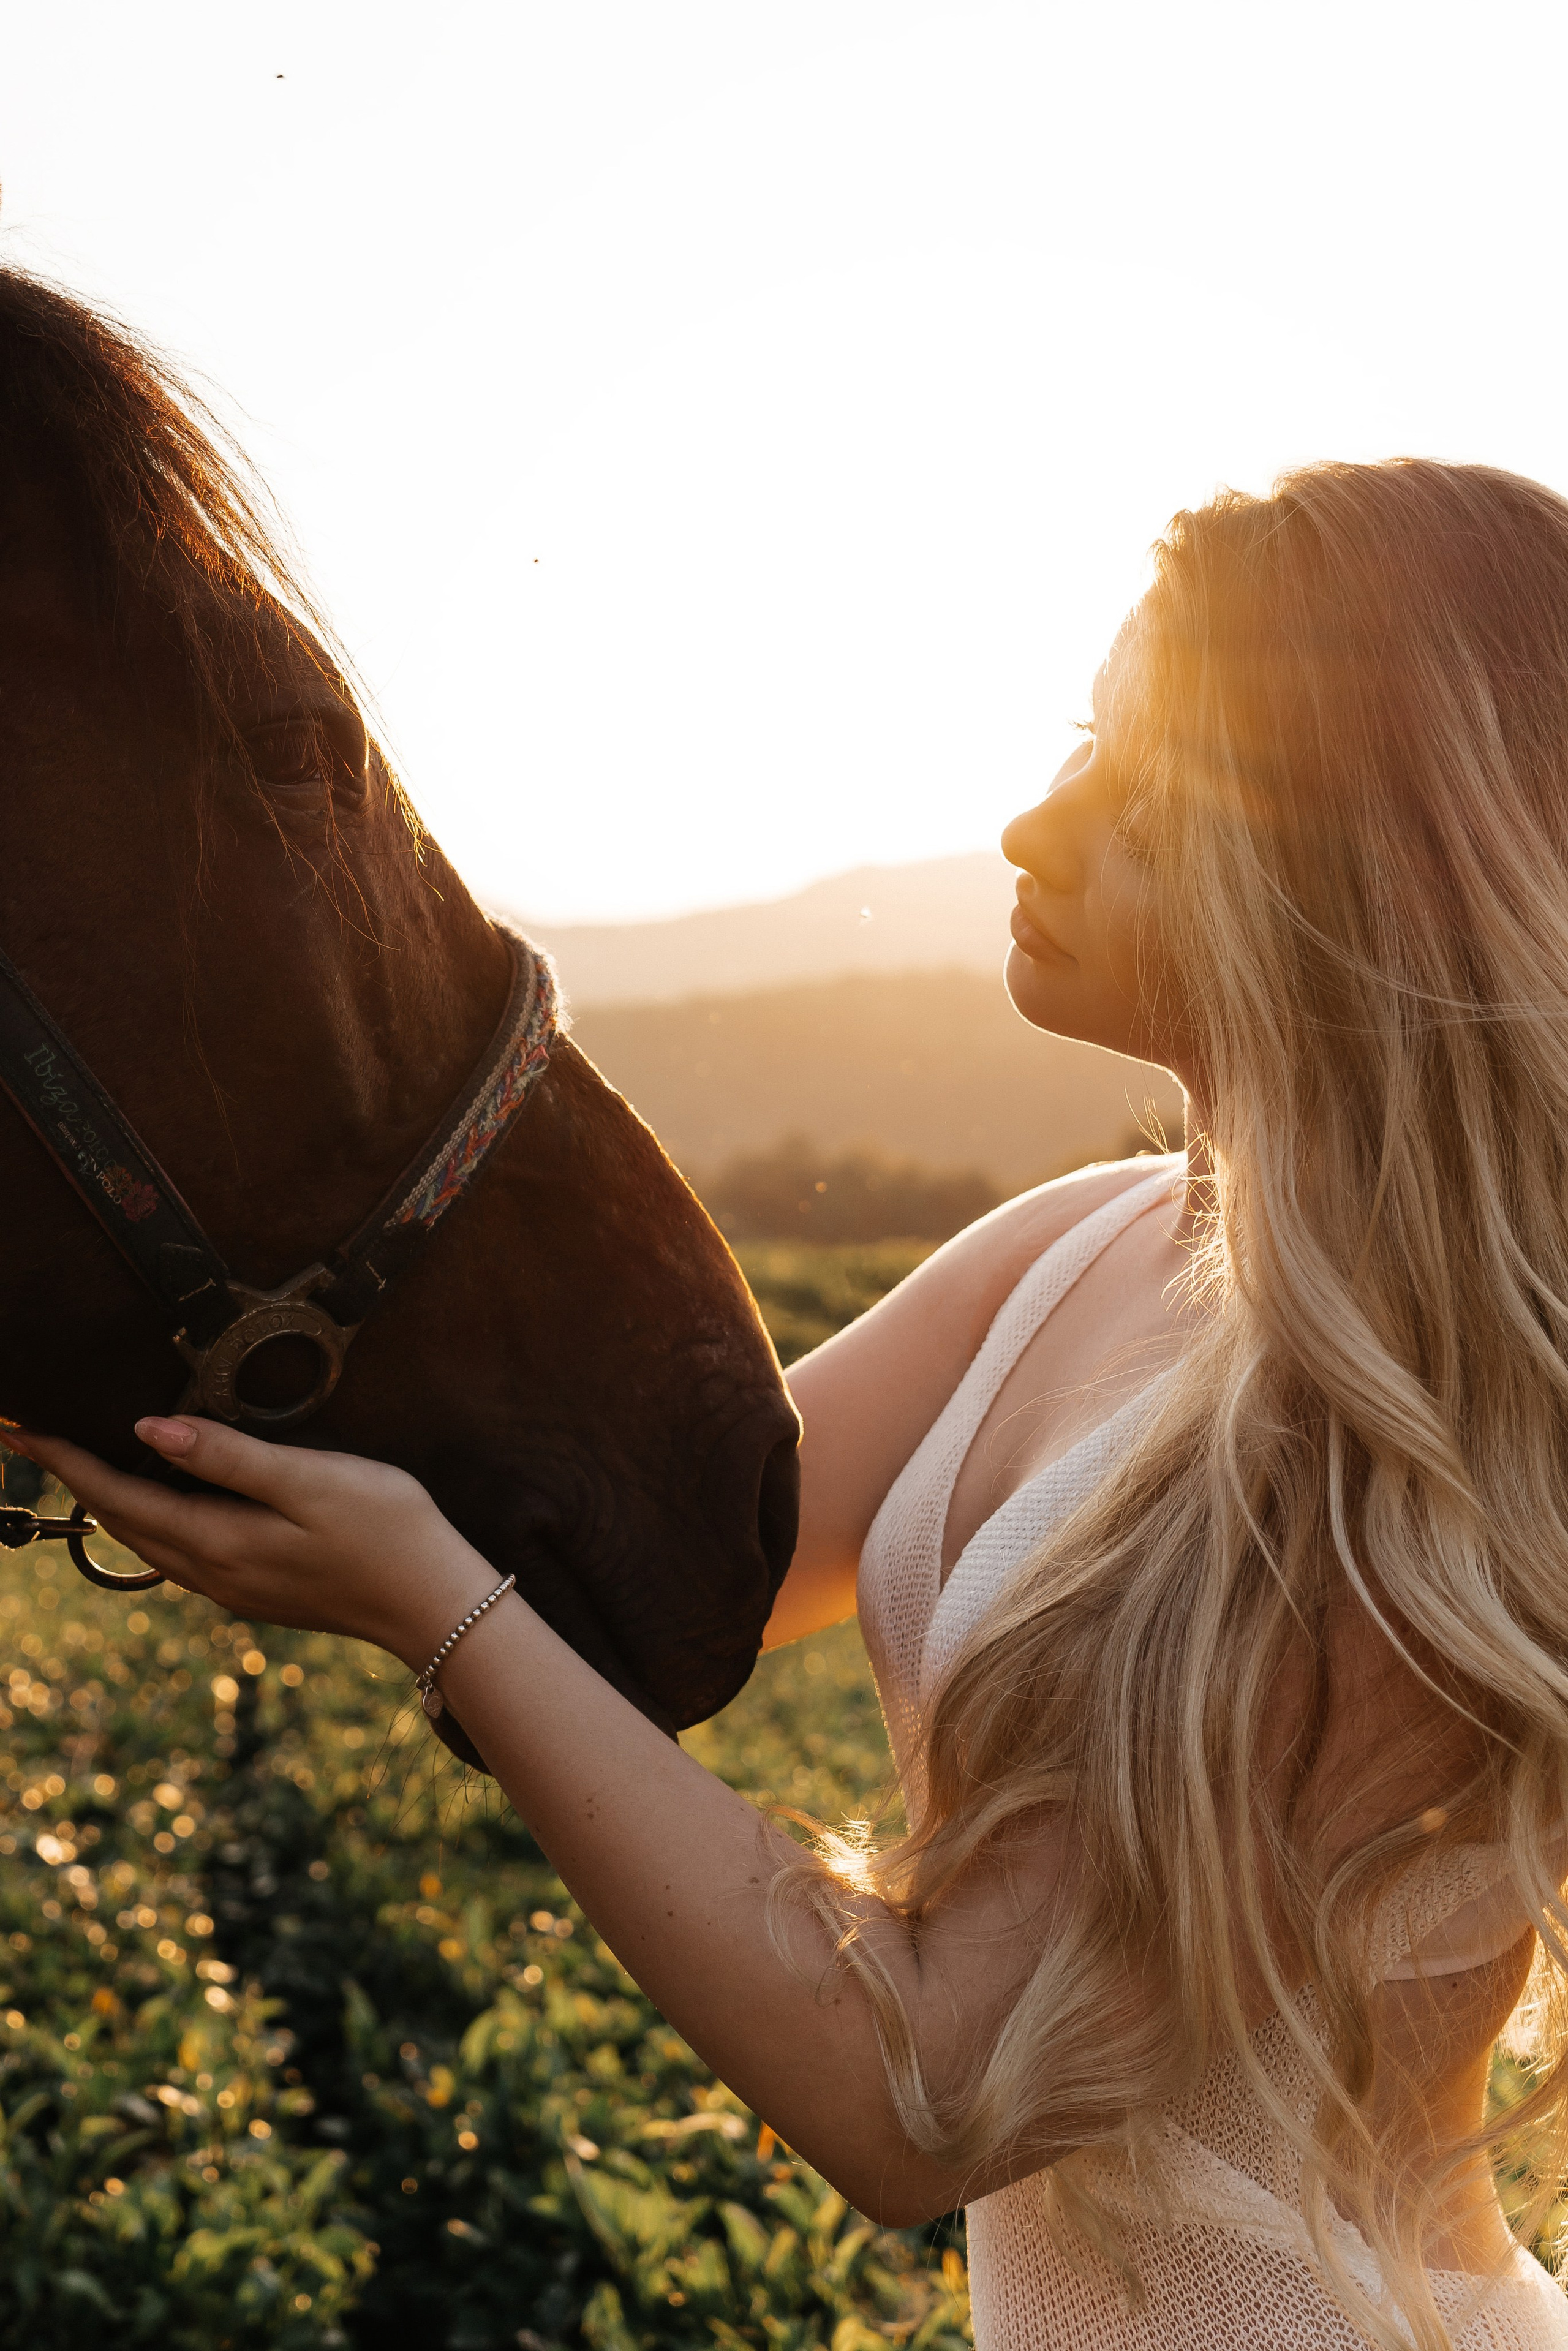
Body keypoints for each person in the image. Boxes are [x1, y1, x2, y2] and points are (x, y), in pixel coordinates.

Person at [13, 458, 1568, 2351]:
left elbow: (917, 2093)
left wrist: (430, 1605)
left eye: (1148, 794)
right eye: (1085, 740)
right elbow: (658, 1550)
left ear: (1356, 872)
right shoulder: (1075, 1249)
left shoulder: (1406, 1443)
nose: (1036, 819)